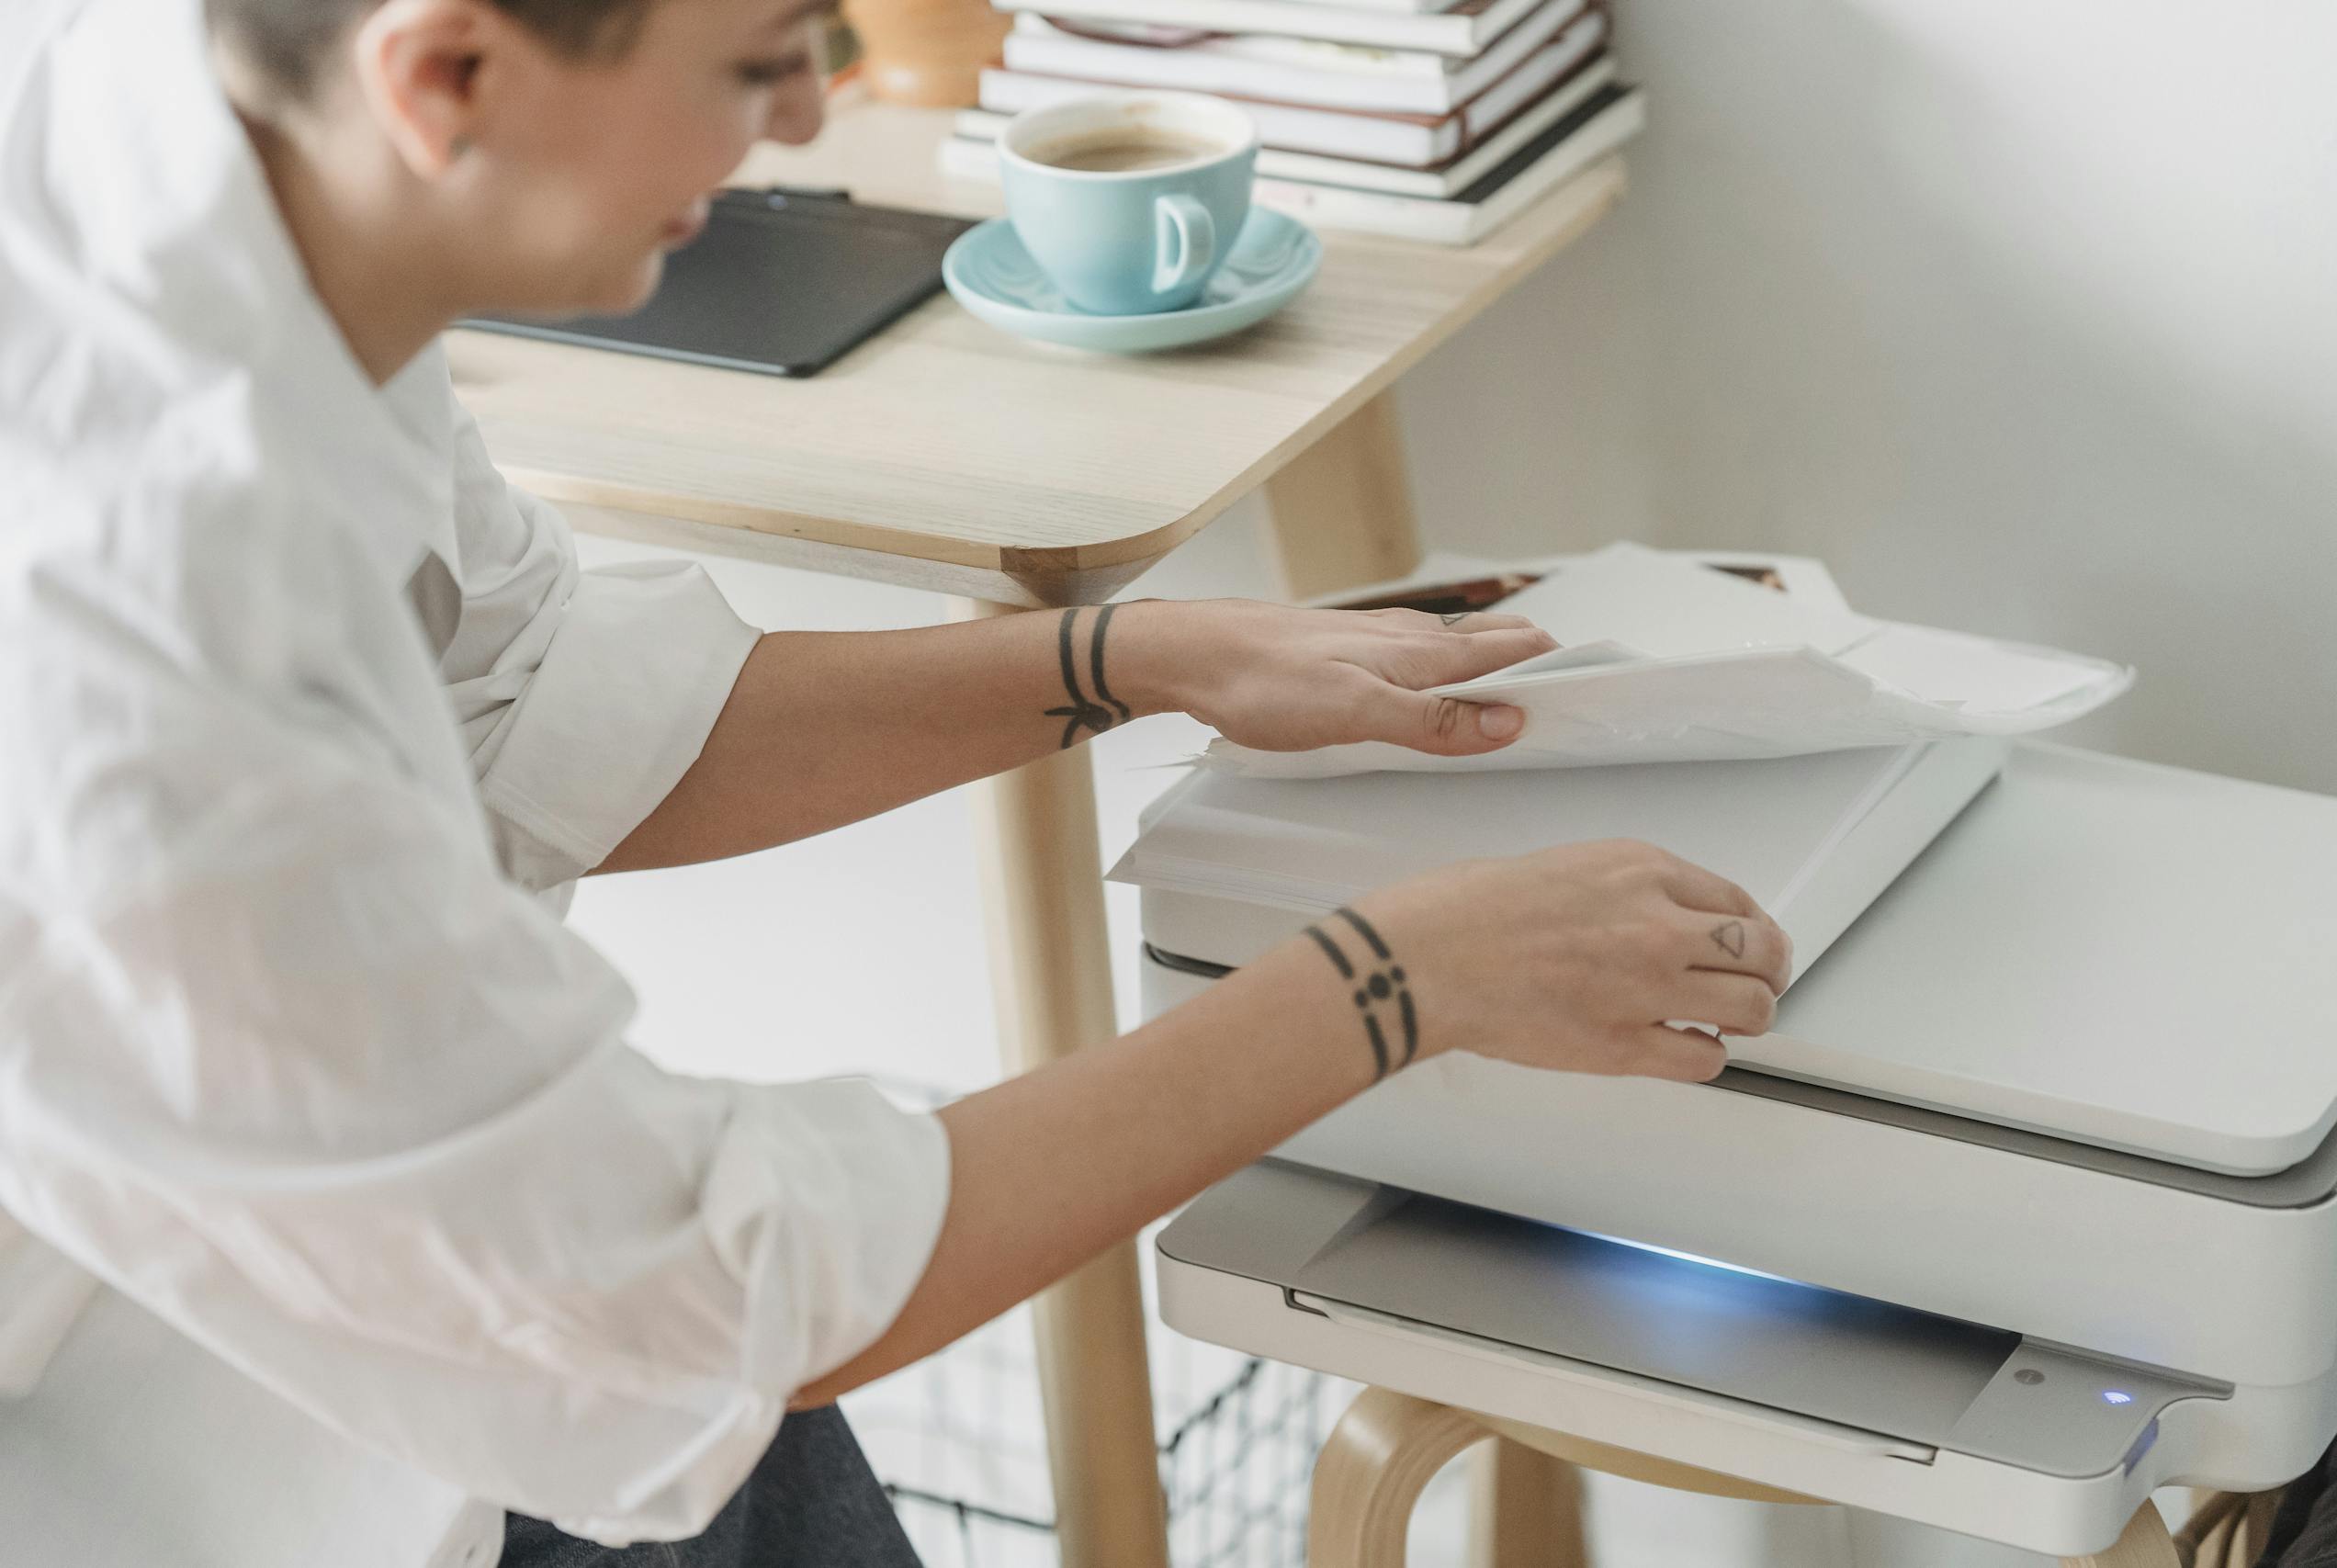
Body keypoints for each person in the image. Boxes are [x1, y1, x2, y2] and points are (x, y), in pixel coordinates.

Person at [0, 0, 1793, 1564]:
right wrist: (1389, 980)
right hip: (185, 1455)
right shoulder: (137, 642)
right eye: (761, 59)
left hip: (488, 1318)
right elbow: (695, 1296)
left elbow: (525, 708)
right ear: (448, 73)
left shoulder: (237, 154)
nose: (802, 119)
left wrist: (1136, 654)